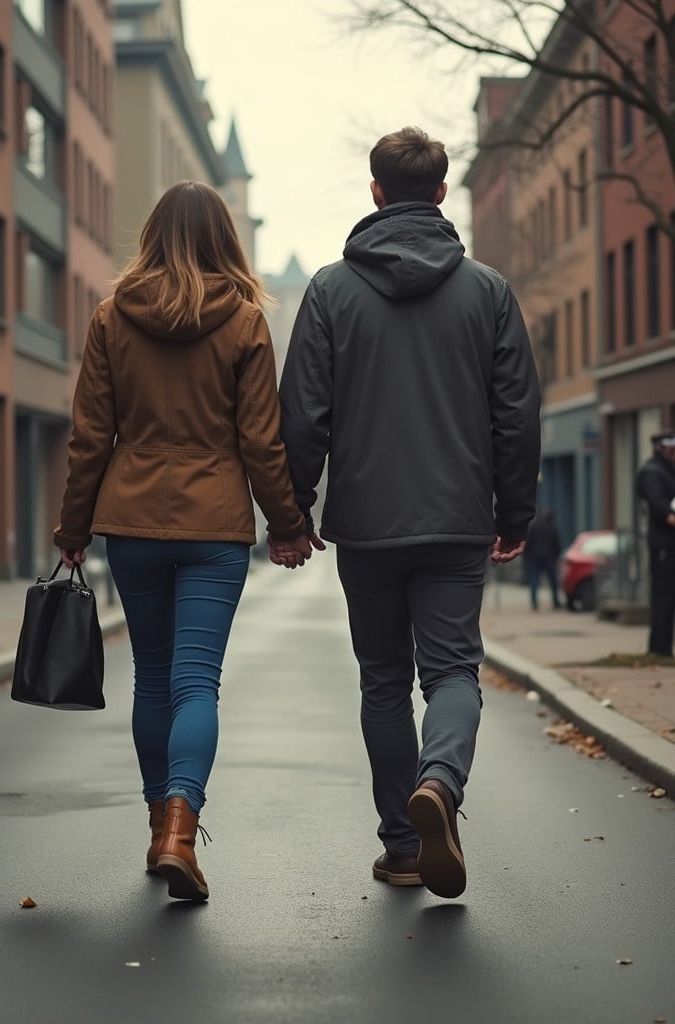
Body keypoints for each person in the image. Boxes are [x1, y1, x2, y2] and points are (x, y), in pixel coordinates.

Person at [275, 127, 541, 899]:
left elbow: (303, 415)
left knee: (384, 681)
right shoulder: (487, 290)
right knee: (453, 669)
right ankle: (442, 784)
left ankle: (400, 847)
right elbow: (515, 413)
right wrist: (514, 513)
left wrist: (294, 511)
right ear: (443, 193)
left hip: (366, 523)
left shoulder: (329, 290)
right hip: (458, 517)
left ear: (376, 192)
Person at [54, 181, 313, 902]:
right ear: (225, 238)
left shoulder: (112, 317)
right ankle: (179, 829)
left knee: (152, 676)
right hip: (214, 524)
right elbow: (262, 439)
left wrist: (73, 529)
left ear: (153, 235)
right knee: (197, 681)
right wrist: (287, 524)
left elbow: (89, 438)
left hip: (131, 520)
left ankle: (156, 828)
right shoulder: (244, 320)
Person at [635, 430, 675, 658]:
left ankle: (662, 648)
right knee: (664, 595)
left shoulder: (666, 470)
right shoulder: (652, 472)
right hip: (663, 544)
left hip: (668, 542)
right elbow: (659, 506)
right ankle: (659, 649)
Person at [523, 508, 562, 610]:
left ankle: (534, 603)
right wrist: (557, 555)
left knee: (534, 580)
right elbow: (557, 543)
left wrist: (526, 556)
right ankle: (555, 601)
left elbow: (528, 542)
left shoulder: (533, 526)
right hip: (549, 558)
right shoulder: (552, 527)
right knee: (553, 581)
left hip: (534, 557)